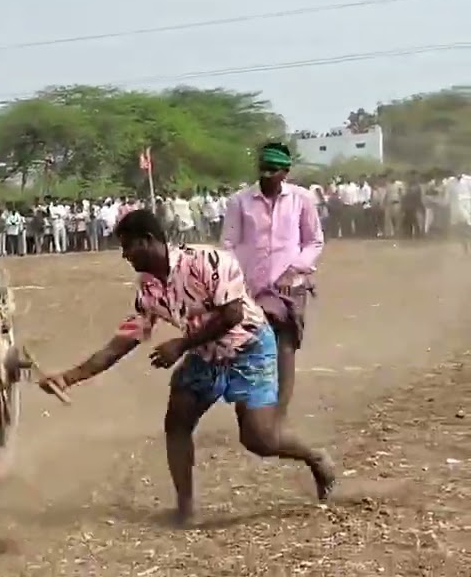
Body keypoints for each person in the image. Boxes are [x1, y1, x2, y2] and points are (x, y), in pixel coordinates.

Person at [38, 209, 335, 527]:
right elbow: (121, 343)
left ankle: (316, 458)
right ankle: (185, 507)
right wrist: (69, 377)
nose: (124, 255)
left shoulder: (207, 261)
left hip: (248, 348)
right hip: (205, 353)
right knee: (177, 420)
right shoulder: (149, 289)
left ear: (149, 241)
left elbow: (232, 315)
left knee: (259, 439)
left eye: (128, 246)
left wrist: (180, 345)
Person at [220, 142, 324, 419]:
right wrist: (233, 281)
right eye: (263, 169)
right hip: (250, 288)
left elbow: (314, 241)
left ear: (285, 172)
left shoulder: (301, 200)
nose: (266, 175)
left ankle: (279, 415)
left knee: (285, 347)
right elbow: (228, 244)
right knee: (250, 346)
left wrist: (296, 269)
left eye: (273, 170)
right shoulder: (240, 201)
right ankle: (254, 409)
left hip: (290, 286)